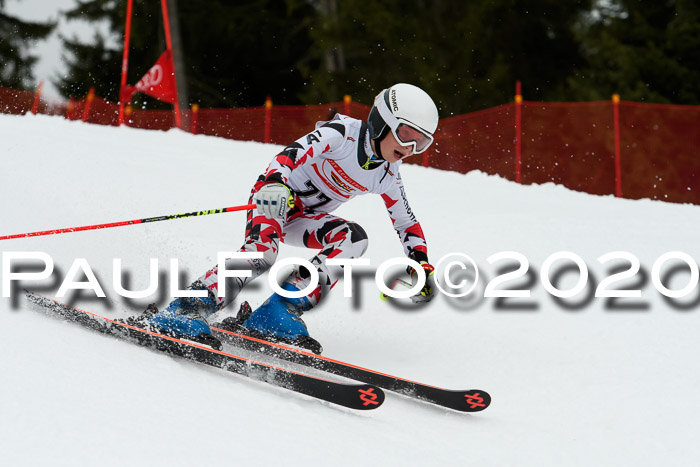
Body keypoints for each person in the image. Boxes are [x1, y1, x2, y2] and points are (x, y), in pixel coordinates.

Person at [147, 83, 439, 353]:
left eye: (421, 143)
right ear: (381, 120)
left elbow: (405, 221)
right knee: (262, 252)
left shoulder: (387, 174)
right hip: (274, 197)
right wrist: (275, 182)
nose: (410, 149)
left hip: (306, 218)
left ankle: (278, 311)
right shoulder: (343, 134)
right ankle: (187, 308)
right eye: (406, 135)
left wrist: (421, 264)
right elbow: (291, 155)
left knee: (353, 239)